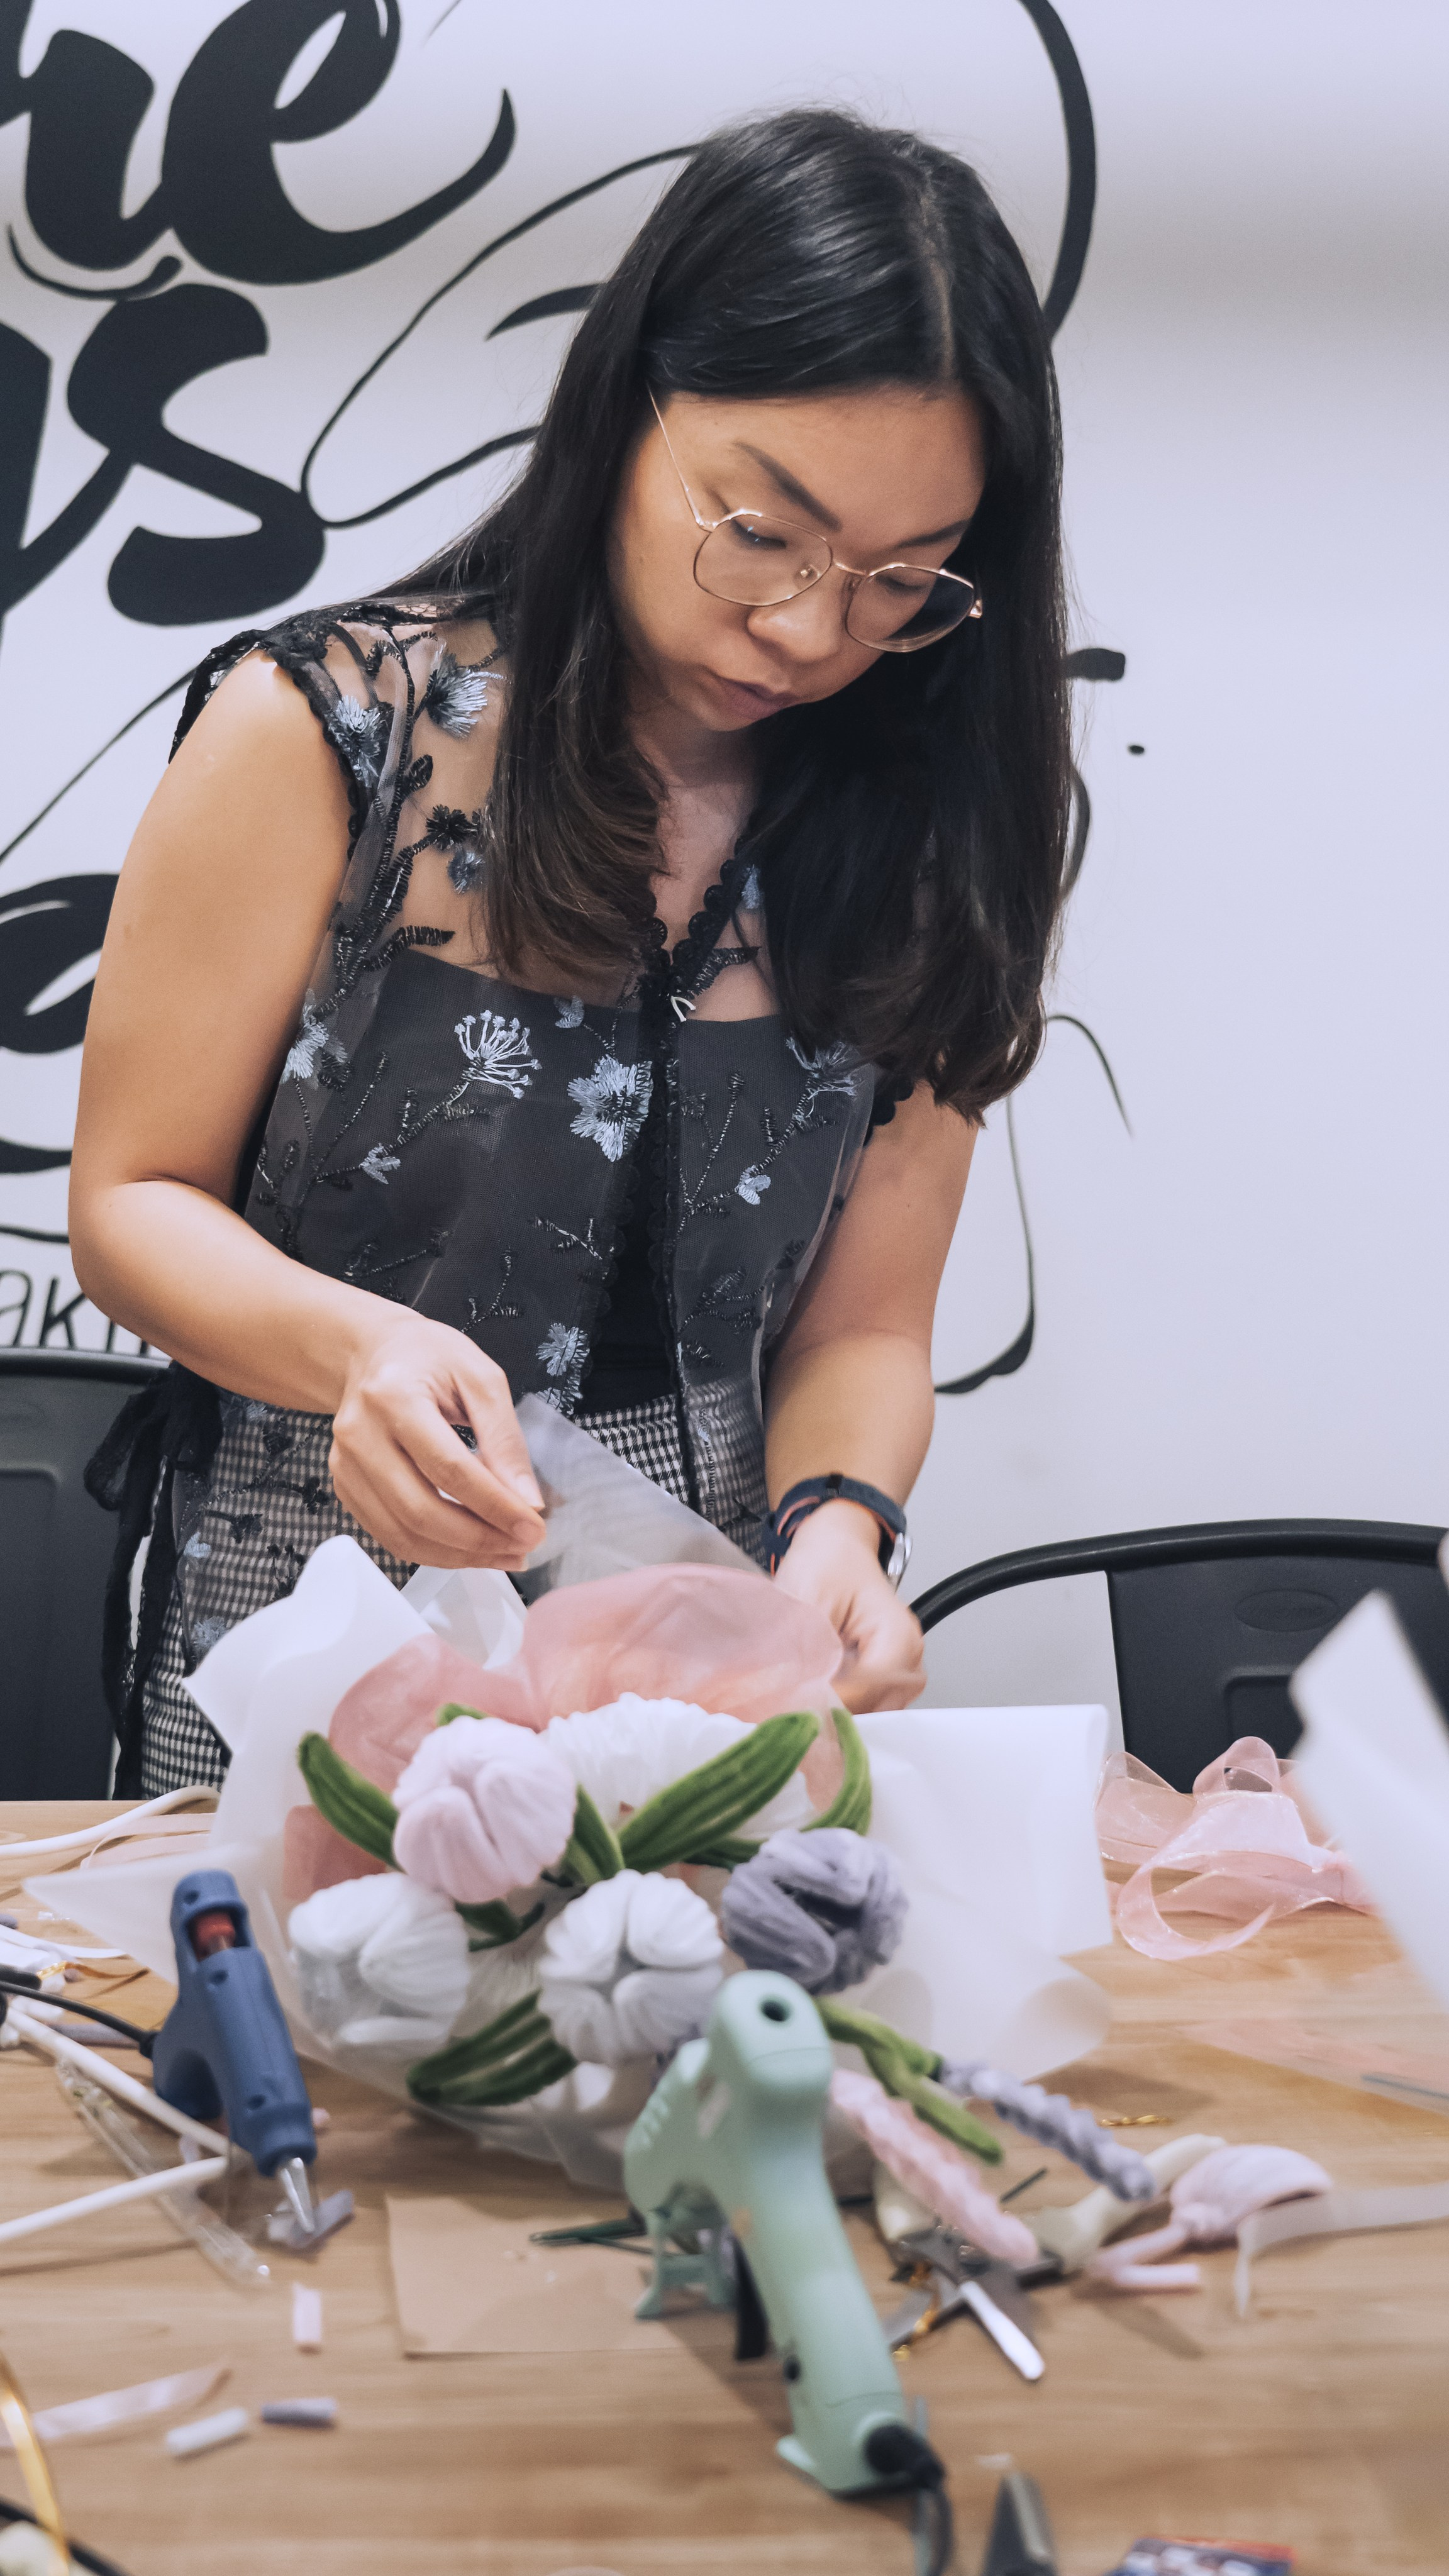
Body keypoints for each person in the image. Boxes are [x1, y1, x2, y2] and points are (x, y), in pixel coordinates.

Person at [71, 108, 1070, 1797]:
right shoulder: (332, 732)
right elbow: (131, 1203)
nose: (809, 629)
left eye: (899, 580)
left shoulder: (925, 824)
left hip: (689, 1672)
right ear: (626, 406)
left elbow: (864, 1330)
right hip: (308, 1609)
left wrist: (840, 1522)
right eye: (760, 532)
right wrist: (361, 1351)